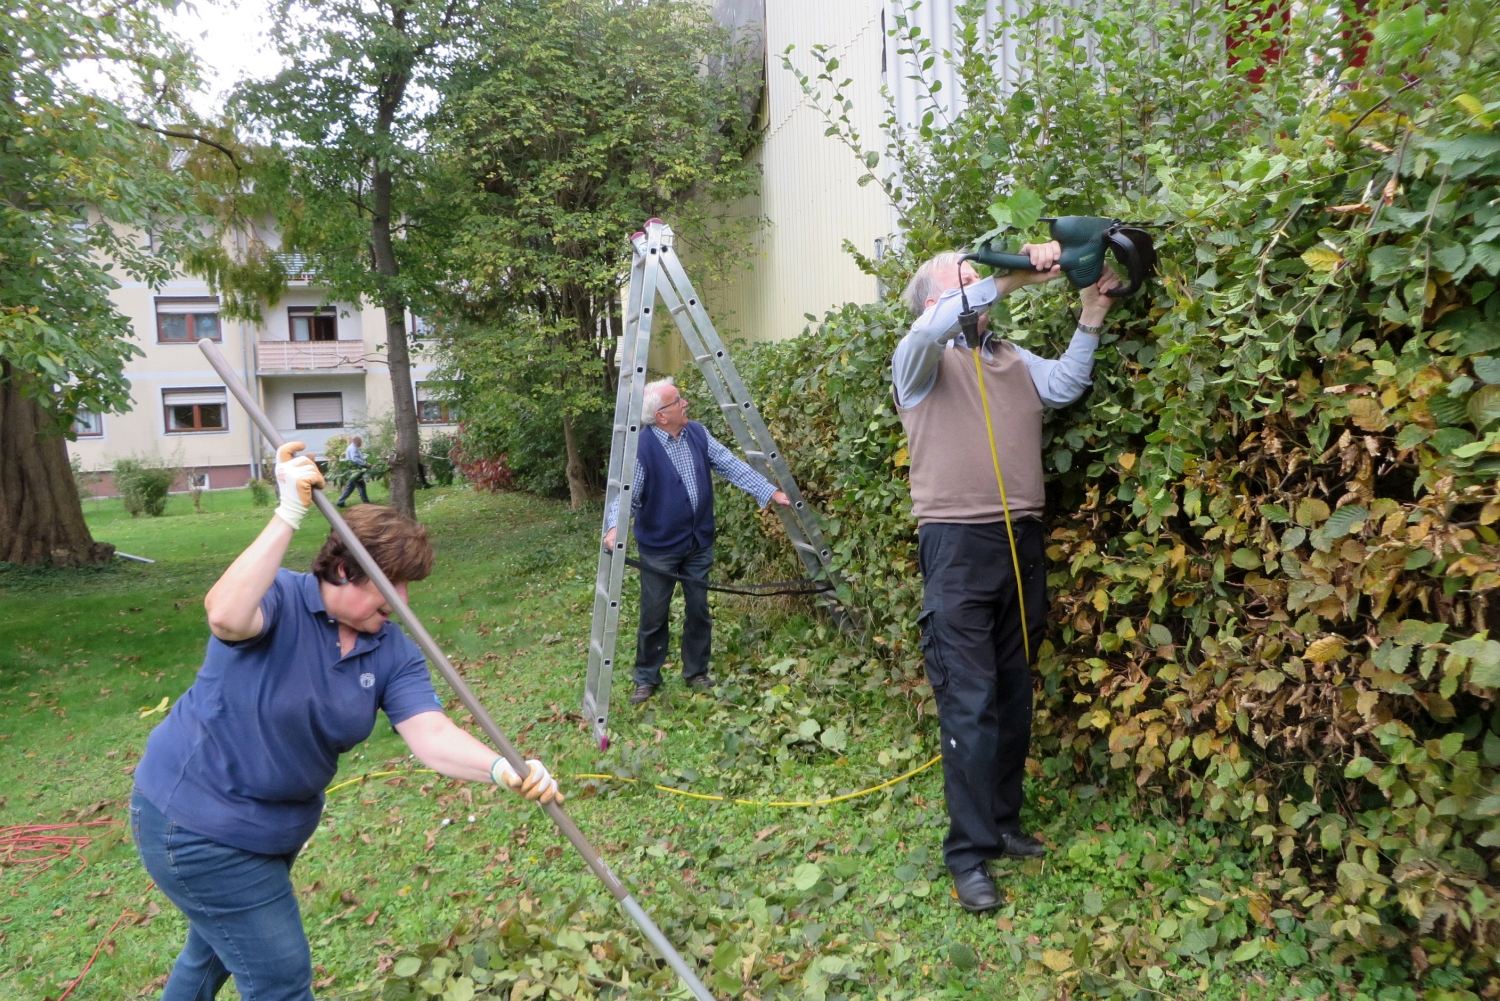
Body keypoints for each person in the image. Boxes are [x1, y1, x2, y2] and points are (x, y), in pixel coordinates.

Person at [131, 441, 562, 1001]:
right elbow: (225, 614)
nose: (403, 601)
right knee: (280, 979)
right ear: (342, 569)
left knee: (211, 954)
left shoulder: (391, 649)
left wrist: (504, 767)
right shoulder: (280, 600)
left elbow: (430, 735)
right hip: (196, 821)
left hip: (273, 830)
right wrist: (288, 513)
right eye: (392, 584)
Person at [892, 243, 1122, 913]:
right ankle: (967, 853)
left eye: (979, 282)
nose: (979, 293)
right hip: (956, 546)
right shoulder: (919, 363)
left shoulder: (1013, 359)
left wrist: (1090, 313)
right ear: (933, 301)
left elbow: (1066, 385)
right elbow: (935, 324)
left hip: (1019, 542)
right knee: (969, 701)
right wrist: (1009, 277)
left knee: (1014, 691)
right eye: (962, 284)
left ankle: (1002, 820)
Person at [602, 377, 791, 705]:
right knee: (654, 614)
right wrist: (614, 528)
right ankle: (647, 678)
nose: (685, 403)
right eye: (678, 401)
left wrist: (769, 490)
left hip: (698, 542)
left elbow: (729, 465)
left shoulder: (698, 433)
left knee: (699, 609)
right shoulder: (642, 447)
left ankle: (696, 672)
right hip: (660, 548)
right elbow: (627, 495)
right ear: (661, 415)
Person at [336, 435, 369, 506]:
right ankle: (366, 502)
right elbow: (355, 458)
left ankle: (340, 502)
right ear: (357, 441)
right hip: (355, 471)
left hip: (353, 470)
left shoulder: (352, 447)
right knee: (361, 485)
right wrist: (365, 463)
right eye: (360, 442)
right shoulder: (353, 448)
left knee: (350, 487)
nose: (361, 443)